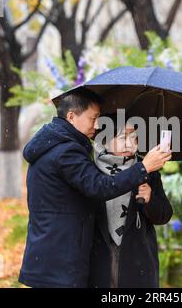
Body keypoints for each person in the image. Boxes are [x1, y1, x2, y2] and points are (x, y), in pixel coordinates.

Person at [18, 89, 171, 288]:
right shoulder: (69, 153)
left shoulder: (60, 147)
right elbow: (99, 187)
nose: (97, 125)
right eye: (94, 118)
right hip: (65, 262)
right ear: (71, 117)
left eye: (134, 137)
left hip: (129, 266)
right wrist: (144, 168)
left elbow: (164, 214)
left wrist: (148, 193)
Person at [88, 113, 173, 288]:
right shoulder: (90, 170)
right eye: (122, 137)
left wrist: (150, 199)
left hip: (137, 257)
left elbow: (164, 215)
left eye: (134, 137)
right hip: (98, 256)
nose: (130, 143)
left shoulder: (148, 169)